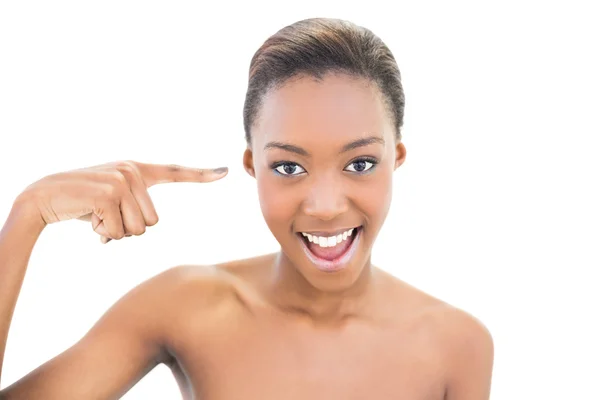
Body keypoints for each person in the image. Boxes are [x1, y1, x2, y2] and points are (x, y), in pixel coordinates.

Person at [0, 17, 494, 399]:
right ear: (252, 165)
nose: (324, 207)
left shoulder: (457, 344)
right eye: (289, 168)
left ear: (397, 158)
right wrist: (29, 214)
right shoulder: (186, 307)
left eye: (360, 163)